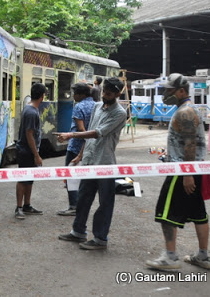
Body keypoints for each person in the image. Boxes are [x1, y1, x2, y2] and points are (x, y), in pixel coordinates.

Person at [145, 73, 210, 270]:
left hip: (182, 171)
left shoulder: (185, 112)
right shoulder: (186, 110)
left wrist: (187, 173)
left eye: (169, 90)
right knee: (199, 214)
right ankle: (203, 257)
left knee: (165, 213)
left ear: (181, 91)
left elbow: (190, 144)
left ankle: (170, 257)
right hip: (192, 169)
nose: (166, 94)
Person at [56, 77, 127, 250]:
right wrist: (80, 155)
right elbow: (90, 133)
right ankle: (78, 231)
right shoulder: (96, 107)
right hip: (89, 161)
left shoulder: (120, 113)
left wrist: (71, 136)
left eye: (109, 93)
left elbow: (97, 133)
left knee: (105, 203)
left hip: (104, 163)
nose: (104, 95)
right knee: (83, 198)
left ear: (118, 94)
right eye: (103, 92)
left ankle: (100, 238)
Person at [57, 82, 95, 216]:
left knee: (70, 177)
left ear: (81, 94)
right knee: (84, 179)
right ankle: (81, 205)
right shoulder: (96, 105)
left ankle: (73, 206)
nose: (73, 96)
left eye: (75, 93)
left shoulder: (79, 106)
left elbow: (81, 129)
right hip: (91, 147)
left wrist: (71, 138)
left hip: (76, 146)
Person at [14, 83, 46, 220]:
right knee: (23, 179)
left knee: (29, 179)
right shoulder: (32, 112)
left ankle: (27, 205)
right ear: (42, 96)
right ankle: (19, 207)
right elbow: (29, 135)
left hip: (27, 151)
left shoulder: (29, 109)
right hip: (26, 152)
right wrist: (36, 155)